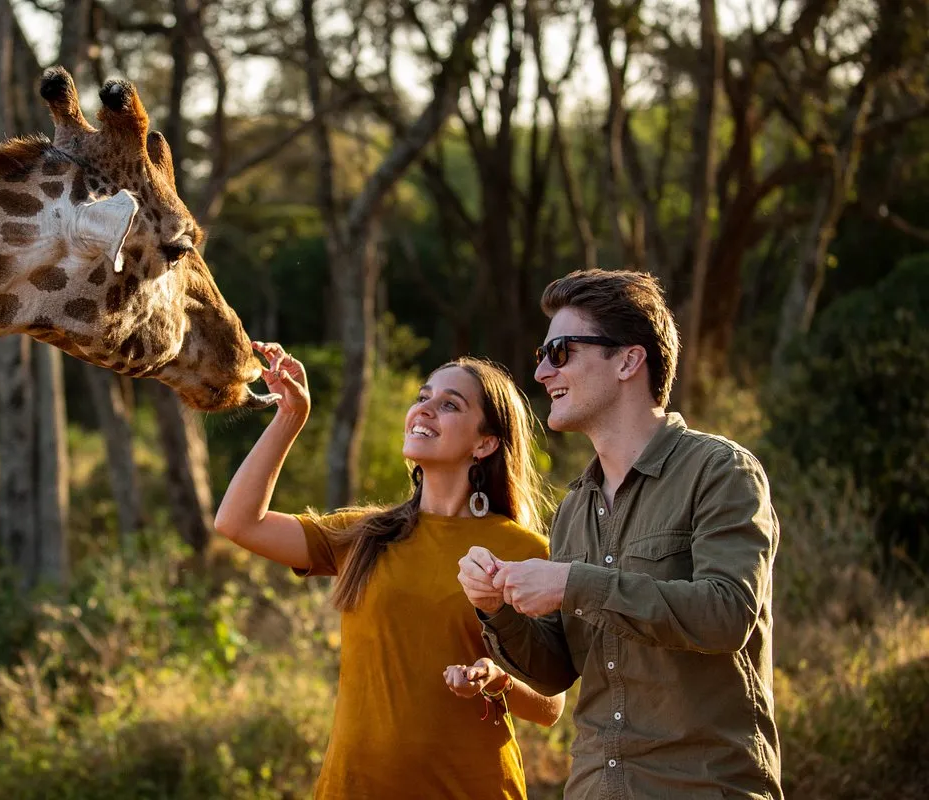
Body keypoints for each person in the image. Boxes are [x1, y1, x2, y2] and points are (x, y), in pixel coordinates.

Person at [458, 269, 783, 799]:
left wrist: (573, 583)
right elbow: (557, 671)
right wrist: (496, 607)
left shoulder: (720, 471)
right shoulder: (573, 509)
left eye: (559, 352)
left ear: (629, 360)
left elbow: (727, 615)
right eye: (542, 355)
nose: (540, 372)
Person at [215, 343, 565, 799]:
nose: (424, 410)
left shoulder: (524, 550)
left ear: (486, 443)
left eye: (449, 405)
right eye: (422, 397)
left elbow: (550, 706)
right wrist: (290, 417)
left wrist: (497, 681)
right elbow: (237, 522)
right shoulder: (366, 534)